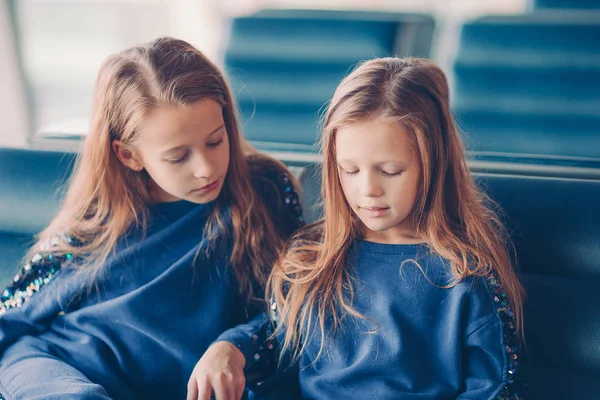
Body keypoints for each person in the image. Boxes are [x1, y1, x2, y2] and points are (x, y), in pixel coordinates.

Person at [189, 57, 525, 400]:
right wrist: (230, 348)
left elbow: (493, 389)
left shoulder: (464, 275)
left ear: (433, 164)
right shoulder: (313, 256)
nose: (368, 190)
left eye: (390, 171)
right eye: (349, 170)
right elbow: (279, 335)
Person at [0, 37, 303, 400]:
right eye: (178, 157)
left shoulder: (264, 190)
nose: (206, 169)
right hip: (58, 367)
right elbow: (14, 316)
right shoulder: (98, 219)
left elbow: (297, 304)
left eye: (215, 141)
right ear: (129, 156)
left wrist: (235, 347)